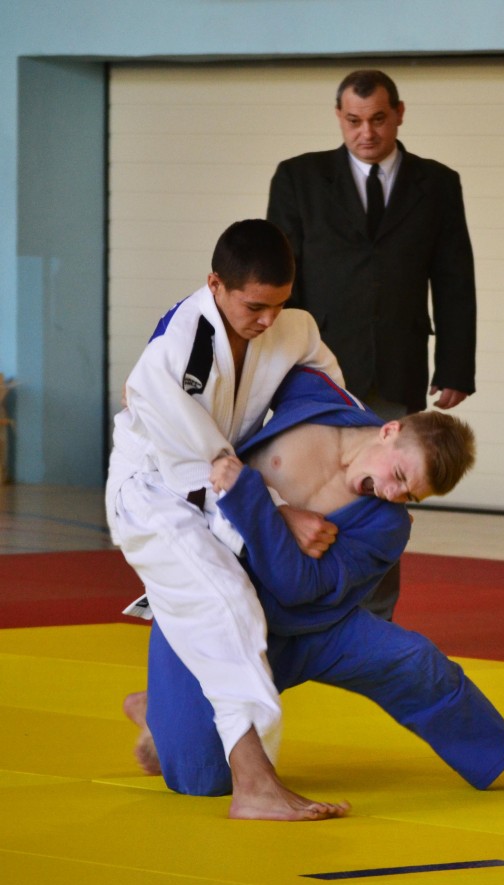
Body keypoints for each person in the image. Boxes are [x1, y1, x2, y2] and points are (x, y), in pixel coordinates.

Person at [125, 366, 504, 801]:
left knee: (416, 662)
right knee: (202, 780)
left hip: (313, 628)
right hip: (213, 614)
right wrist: (154, 389)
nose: (392, 494)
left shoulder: (387, 525)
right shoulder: (317, 401)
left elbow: (299, 587)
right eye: (399, 475)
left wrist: (253, 499)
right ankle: (163, 707)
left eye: (409, 495)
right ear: (389, 431)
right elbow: (268, 352)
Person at [106, 219, 349, 821]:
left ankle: (161, 709)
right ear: (215, 284)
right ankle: (255, 783)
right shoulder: (177, 352)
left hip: (225, 483)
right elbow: (203, 469)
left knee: (244, 608)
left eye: (280, 304)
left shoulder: (295, 329)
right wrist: (277, 513)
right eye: (255, 306)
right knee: (227, 604)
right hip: (154, 493)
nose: (268, 320)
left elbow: (329, 405)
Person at [267, 68, 478, 620]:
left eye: (379, 119)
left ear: (399, 114)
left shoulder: (438, 183)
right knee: (303, 488)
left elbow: (454, 277)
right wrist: (274, 361)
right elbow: (281, 280)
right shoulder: (298, 178)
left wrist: (456, 365)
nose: (367, 133)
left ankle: (374, 620)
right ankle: (289, 609)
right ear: (339, 117)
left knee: (385, 497)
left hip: (395, 364)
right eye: (354, 121)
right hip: (313, 371)